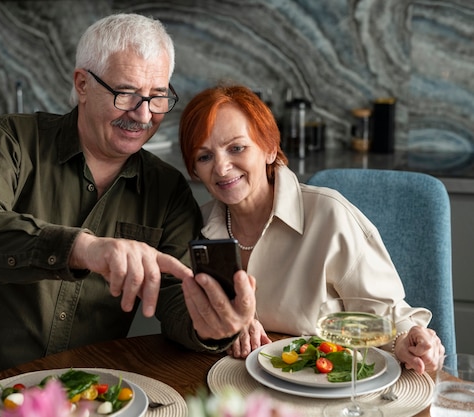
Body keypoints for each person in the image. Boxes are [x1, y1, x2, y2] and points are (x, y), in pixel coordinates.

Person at [0, 14, 256, 373]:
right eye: (125, 94)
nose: (143, 115)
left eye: (157, 97)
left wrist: (206, 326)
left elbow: (177, 294)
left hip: (82, 384)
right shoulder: (10, 140)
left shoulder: (167, 189)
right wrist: (84, 248)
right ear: (82, 84)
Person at [178, 84, 445, 373]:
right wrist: (227, 327)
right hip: (235, 386)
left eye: (237, 148)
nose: (221, 168)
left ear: (269, 149)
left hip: (328, 388)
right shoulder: (196, 226)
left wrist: (407, 342)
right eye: (205, 156)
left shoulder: (330, 215)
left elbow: (386, 318)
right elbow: (184, 316)